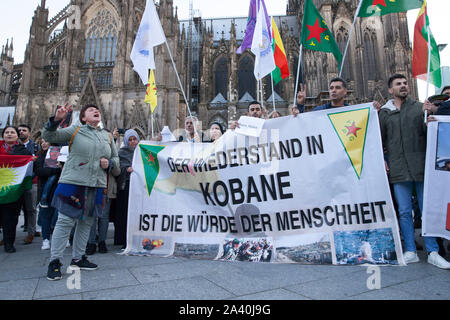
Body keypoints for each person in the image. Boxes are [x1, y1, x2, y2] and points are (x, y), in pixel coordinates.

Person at [379, 74, 450, 269]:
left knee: (426, 209)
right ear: (390, 90)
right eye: (398, 84)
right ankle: (410, 250)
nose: (403, 86)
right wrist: (384, 160)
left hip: (420, 166)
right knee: (403, 211)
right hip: (398, 167)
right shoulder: (385, 113)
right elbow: (380, 140)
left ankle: (432, 251)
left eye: (404, 83)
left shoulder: (420, 108)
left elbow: (430, 136)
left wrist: (430, 121)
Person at [43, 104, 119, 281]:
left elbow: (115, 158)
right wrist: (56, 120)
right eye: (91, 110)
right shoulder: (75, 130)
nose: (96, 111)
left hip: (97, 184)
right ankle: (55, 261)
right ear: (83, 117)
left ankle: (78, 257)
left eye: (97, 110)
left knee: (87, 222)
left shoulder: (107, 136)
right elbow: (50, 136)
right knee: (65, 221)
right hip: (74, 182)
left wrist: (110, 164)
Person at [86, 131, 121, 255]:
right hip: (92, 188)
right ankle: (90, 242)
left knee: (104, 218)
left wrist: (110, 164)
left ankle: (102, 241)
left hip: (106, 190)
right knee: (92, 217)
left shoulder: (113, 154)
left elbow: (117, 172)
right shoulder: (91, 150)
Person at [0, 126, 33, 253]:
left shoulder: (22, 151)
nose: (9, 134)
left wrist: (31, 160)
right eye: (6, 132)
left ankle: (9, 243)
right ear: (3, 135)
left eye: (12, 132)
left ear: (17, 136)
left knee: (11, 218)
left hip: (13, 190)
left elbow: (28, 164)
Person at [34, 139, 63, 250]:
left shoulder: (61, 154)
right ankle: (46, 239)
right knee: (46, 214)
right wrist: (55, 170)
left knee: (59, 215)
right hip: (45, 190)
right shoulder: (40, 156)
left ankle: (60, 238)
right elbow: (39, 171)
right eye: (42, 142)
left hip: (59, 188)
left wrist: (60, 168)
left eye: (46, 141)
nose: (44, 144)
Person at [292, 80, 381, 115]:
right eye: (331, 88)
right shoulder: (320, 111)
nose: (334, 90)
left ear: (345, 91)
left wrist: (375, 112)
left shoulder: (352, 112)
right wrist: (300, 105)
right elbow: (306, 123)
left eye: (337, 88)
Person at [114, 129, 140, 249]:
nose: (133, 142)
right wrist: (127, 169)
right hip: (126, 187)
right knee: (124, 213)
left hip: (139, 188)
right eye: (130, 140)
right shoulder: (122, 152)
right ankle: (124, 239)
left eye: (134, 139)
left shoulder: (142, 152)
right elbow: (118, 168)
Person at [18, 124, 39, 244]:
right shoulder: (12, 147)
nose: (21, 132)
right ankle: (9, 234)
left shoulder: (35, 147)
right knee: (13, 209)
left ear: (29, 133)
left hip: (31, 181)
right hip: (15, 182)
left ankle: (31, 232)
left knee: (31, 208)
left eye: (24, 130)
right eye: (19, 130)